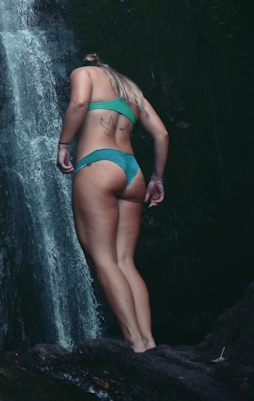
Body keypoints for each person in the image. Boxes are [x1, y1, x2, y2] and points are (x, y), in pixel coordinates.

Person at [56, 53, 169, 352]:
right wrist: (158, 178)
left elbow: (79, 104)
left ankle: (133, 341)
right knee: (125, 262)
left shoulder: (85, 73)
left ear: (92, 60)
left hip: (98, 165)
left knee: (103, 259)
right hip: (133, 173)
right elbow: (161, 133)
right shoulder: (132, 91)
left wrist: (64, 144)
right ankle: (148, 341)